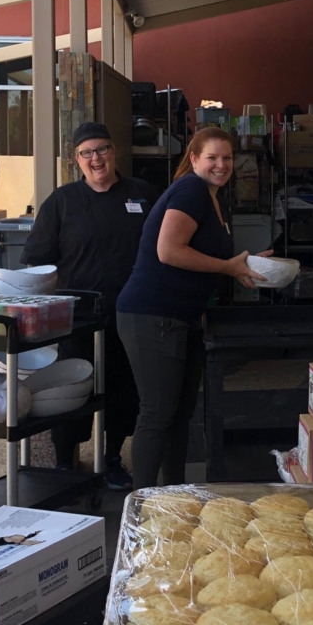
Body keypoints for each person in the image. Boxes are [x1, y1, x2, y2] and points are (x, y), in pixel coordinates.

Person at [116, 127, 267, 488]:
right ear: (194, 159)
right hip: (153, 314)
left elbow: (204, 255)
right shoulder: (191, 189)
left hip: (180, 317)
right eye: (212, 157)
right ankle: (141, 509)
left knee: (180, 415)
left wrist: (246, 265)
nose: (221, 164)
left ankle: (173, 495)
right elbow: (168, 251)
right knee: (157, 414)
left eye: (227, 158)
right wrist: (228, 267)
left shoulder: (213, 198)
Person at [22, 122, 159, 491]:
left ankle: (112, 458)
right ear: (76, 159)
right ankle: (66, 460)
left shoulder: (142, 195)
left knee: (123, 392)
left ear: (114, 152)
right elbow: (37, 260)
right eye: (87, 152)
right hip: (77, 320)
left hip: (130, 314)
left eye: (101, 149)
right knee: (70, 388)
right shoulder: (62, 202)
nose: (95, 158)